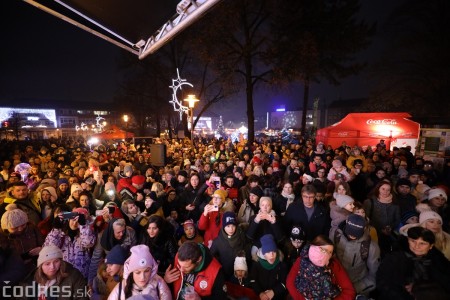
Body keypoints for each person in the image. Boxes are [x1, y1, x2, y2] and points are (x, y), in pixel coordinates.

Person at [377, 226, 450, 299]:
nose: (417, 246)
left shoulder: (438, 259)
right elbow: (383, 283)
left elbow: (446, 282)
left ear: (431, 246)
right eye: (413, 241)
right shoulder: (394, 258)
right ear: (408, 240)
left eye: (422, 243)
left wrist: (420, 287)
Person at [286, 235, 356, 300]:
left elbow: (349, 291)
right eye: (324, 250)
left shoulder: (334, 265)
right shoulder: (302, 260)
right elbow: (290, 283)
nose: (328, 255)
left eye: (330, 252)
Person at [18, 245, 88, 300]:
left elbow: (82, 297)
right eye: (47, 264)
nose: (52, 267)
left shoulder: (74, 276)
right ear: (40, 266)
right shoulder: (30, 280)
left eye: (56, 261)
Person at [334, 214, 380, 296]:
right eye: (350, 231)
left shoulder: (371, 247)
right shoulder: (335, 234)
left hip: (357, 288)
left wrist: (354, 289)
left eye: (356, 233)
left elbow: (374, 275)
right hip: (334, 285)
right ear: (346, 223)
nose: (352, 235)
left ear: (364, 229)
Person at [43, 207, 96, 278]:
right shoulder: (60, 234)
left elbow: (88, 243)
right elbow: (50, 249)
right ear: (68, 219)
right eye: (73, 220)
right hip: (63, 275)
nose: (74, 223)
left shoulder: (86, 234)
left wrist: (83, 226)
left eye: (78, 222)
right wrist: (56, 229)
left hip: (81, 275)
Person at [88, 218, 137, 287]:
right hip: (110, 267)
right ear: (112, 230)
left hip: (126, 267)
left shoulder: (130, 232)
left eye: (123, 231)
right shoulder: (102, 237)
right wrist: (90, 282)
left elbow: (134, 253)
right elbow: (96, 259)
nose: (121, 234)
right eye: (118, 232)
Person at [0, 203, 44, 268]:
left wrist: (42, 249)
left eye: (23, 225)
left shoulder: (32, 228)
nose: (20, 229)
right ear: (6, 227)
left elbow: (42, 241)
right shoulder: (2, 237)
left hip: (36, 262)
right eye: (14, 227)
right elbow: (4, 259)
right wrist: (20, 261)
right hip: (17, 268)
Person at [210, 211, 248, 280]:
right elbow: (212, 257)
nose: (231, 229)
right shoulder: (217, 241)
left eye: (233, 226)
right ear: (224, 226)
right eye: (228, 226)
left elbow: (246, 249)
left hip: (239, 274)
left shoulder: (241, 236)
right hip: (224, 275)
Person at [248, 234, 287, 300]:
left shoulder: (282, 264)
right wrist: (260, 293)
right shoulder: (256, 264)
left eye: (274, 251)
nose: (272, 255)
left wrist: (273, 292)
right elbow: (252, 280)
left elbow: (284, 283)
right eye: (268, 252)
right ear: (263, 253)